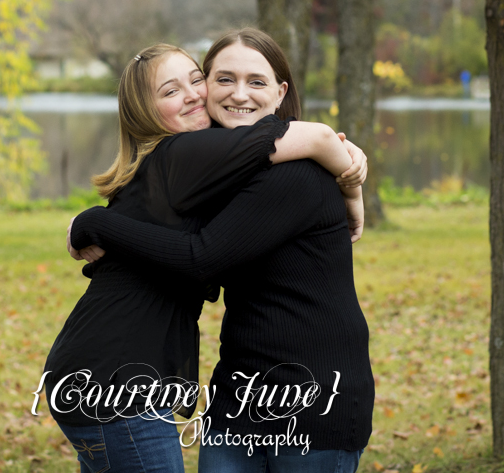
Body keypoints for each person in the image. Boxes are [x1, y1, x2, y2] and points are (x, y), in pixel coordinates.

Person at [42, 39, 367, 473]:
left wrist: (350, 172)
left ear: (281, 91)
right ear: (145, 111)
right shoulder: (183, 154)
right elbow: (203, 256)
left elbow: (313, 141)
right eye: (172, 90)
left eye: (194, 80)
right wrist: (350, 182)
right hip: (117, 376)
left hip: (122, 372)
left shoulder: (218, 164)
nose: (198, 94)